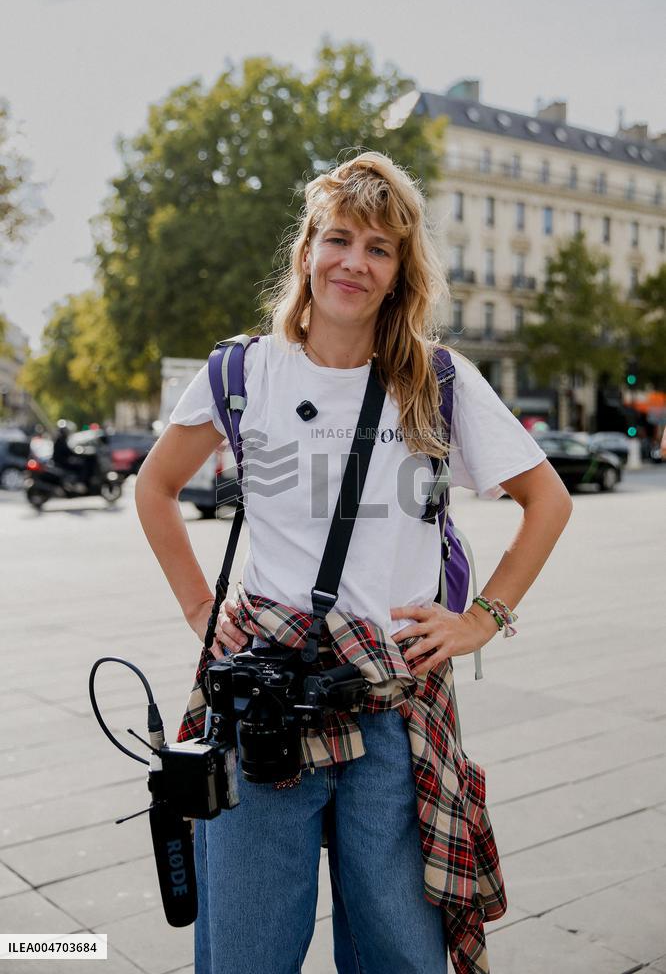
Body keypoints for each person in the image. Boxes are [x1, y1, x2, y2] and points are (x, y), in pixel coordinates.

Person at [135, 152, 572, 974]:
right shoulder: (242, 372)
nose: (354, 262)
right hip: (266, 706)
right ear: (306, 251)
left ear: (400, 270)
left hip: (392, 708)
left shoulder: (438, 381)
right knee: (245, 958)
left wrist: (484, 619)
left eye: (379, 247)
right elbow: (154, 488)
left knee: (400, 959)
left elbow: (548, 501)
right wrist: (202, 611)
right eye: (339, 239)